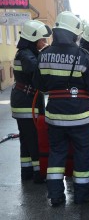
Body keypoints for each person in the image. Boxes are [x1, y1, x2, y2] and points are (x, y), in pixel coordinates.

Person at [33, 11, 89, 207]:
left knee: (56, 154)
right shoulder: (83, 56)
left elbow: (40, 86)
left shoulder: (44, 55)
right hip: (80, 118)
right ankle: (82, 195)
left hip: (54, 116)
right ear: (74, 33)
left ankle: (56, 196)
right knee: (83, 155)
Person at [11, 20, 52, 184]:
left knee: (26, 139)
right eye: (42, 40)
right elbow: (37, 69)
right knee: (33, 138)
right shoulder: (26, 54)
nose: (44, 43)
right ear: (33, 39)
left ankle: (26, 171)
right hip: (26, 103)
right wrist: (47, 54)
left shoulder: (26, 52)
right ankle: (38, 174)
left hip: (24, 100)